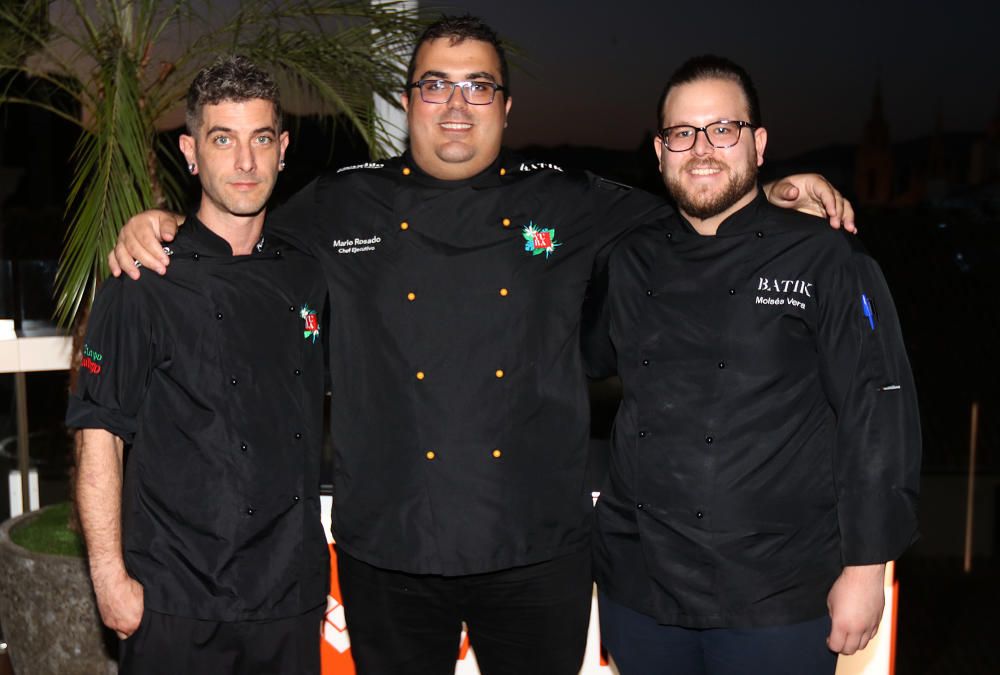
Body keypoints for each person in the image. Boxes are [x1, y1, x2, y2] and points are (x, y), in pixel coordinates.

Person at [108, 17, 854, 675]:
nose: (456, 106)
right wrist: (159, 219)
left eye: (478, 87)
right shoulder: (340, 201)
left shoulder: (569, 197)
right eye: (435, 86)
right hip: (388, 552)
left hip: (539, 552)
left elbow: (697, 204)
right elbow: (238, 229)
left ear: (505, 106)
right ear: (408, 104)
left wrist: (779, 187)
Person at [587, 55, 921, 675]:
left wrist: (867, 568)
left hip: (780, 593)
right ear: (659, 152)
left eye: (724, 129)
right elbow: (579, 360)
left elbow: (878, 413)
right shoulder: (630, 260)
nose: (702, 148)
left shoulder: (828, 256)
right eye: (681, 133)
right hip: (643, 586)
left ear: (758, 143)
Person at [67, 56, 329, 674]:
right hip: (175, 602)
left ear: (283, 149)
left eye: (260, 139)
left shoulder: (309, 272)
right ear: (190, 151)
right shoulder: (143, 281)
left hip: (289, 600)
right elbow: (98, 434)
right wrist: (110, 581)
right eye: (222, 139)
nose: (245, 162)